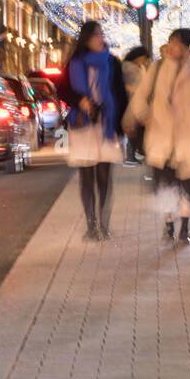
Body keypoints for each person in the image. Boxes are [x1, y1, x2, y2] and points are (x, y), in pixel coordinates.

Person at [124, 28, 190, 244]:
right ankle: (169, 224)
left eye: (179, 44)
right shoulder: (156, 69)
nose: (174, 47)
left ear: (186, 48)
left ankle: (185, 226)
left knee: (189, 186)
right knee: (165, 187)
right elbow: (140, 97)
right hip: (162, 137)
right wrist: (144, 116)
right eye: (172, 42)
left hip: (188, 137)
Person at [63, 21, 128, 241]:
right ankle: (91, 226)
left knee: (104, 176)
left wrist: (120, 127)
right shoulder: (75, 61)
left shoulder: (112, 62)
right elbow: (63, 89)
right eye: (95, 35)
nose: (100, 38)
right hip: (83, 124)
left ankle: (104, 223)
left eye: (101, 34)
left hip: (106, 124)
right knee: (86, 176)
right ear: (87, 38)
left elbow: (120, 95)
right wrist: (79, 101)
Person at [120, 46, 151, 165]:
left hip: (137, 100)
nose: (144, 61)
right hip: (132, 101)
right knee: (132, 128)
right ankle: (131, 155)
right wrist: (135, 89)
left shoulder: (139, 67)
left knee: (135, 128)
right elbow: (125, 84)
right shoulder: (128, 67)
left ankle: (133, 154)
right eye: (144, 58)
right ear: (138, 56)